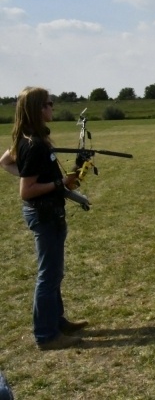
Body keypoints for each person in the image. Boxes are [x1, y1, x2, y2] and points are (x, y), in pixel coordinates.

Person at [0, 87, 88, 350]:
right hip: (43, 214)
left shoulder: (29, 138)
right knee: (48, 275)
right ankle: (46, 335)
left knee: (54, 272)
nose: (53, 107)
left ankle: (57, 321)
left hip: (49, 211)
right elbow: (27, 191)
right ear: (39, 108)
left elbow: (4, 161)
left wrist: (54, 180)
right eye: (49, 103)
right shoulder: (35, 144)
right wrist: (58, 182)